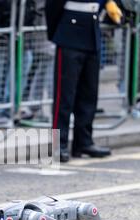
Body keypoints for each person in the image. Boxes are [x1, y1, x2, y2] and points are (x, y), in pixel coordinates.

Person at [45, 0, 122, 162]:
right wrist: (57, 34)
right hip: (69, 33)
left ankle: (84, 141)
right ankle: (59, 145)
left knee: (89, 95)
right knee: (64, 97)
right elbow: (52, 7)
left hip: (91, 32)